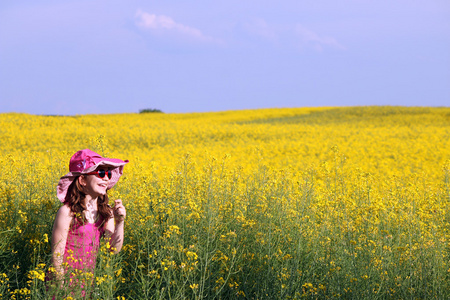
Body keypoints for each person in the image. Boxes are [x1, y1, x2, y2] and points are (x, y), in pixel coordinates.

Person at [48, 149, 128, 296]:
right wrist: (63, 288)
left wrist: (120, 222)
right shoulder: (67, 212)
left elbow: (113, 250)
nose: (106, 178)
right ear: (82, 180)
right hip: (63, 286)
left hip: (87, 284)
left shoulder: (106, 213)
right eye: (101, 173)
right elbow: (57, 256)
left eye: (108, 174)